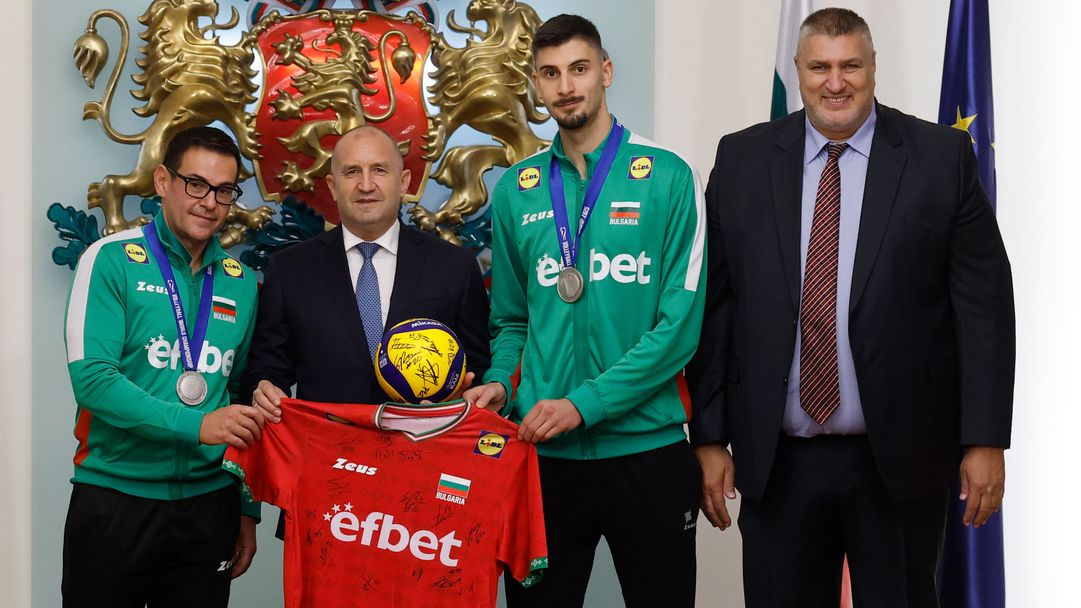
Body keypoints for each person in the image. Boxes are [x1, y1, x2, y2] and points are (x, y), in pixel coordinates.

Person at [686, 8, 1015, 607]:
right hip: (777, 463)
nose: (835, 83)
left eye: (850, 66)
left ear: (872, 68)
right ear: (798, 69)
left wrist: (986, 439)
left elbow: (984, 309)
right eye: (820, 67)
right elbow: (716, 308)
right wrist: (708, 436)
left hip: (902, 457)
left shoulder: (940, 156)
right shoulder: (741, 159)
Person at [464, 14, 707, 607]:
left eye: (578, 69)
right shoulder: (517, 188)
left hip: (647, 452)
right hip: (542, 457)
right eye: (550, 74)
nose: (566, 86)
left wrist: (583, 404)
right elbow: (512, 320)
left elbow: (678, 330)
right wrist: (499, 381)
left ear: (606, 72)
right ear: (536, 85)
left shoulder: (669, 176)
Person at [63, 126, 265, 607]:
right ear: (161, 181)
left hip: (209, 505)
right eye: (195, 184)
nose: (209, 202)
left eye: (224, 190)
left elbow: (241, 397)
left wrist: (246, 507)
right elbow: (93, 381)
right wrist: (198, 425)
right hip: (115, 498)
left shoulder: (241, 283)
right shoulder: (110, 260)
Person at [243, 125, 490, 439]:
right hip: (324, 451)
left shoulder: (455, 266)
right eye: (351, 172)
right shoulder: (290, 269)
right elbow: (267, 366)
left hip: (426, 449)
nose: (366, 185)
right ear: (332, 186)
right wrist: (264, 387)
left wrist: (465, 394)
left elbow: (479, 366)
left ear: (403, 182)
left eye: (379, 170)